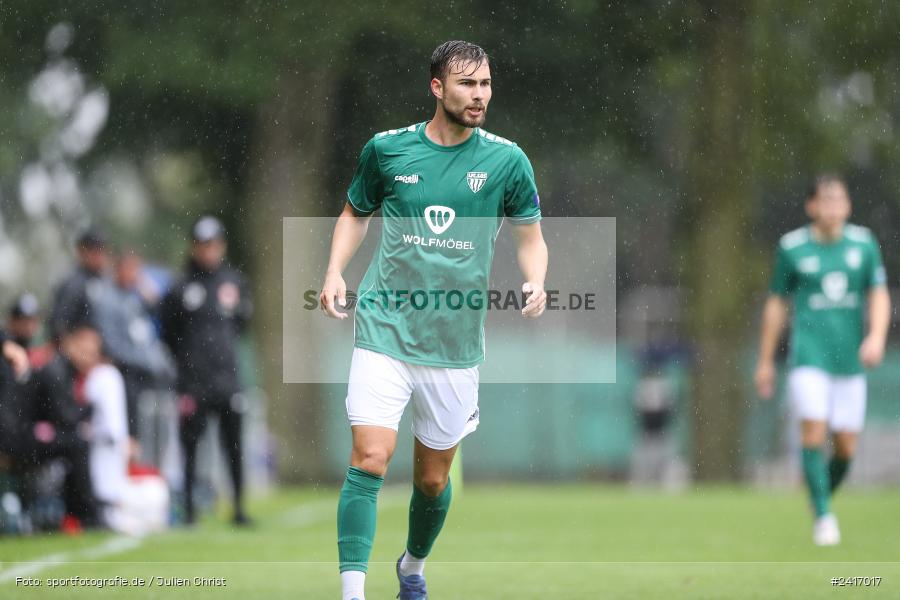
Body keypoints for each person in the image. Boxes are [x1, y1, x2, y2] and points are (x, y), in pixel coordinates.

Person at [319, 40, 548, 600]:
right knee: (370, 457)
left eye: (485, 84)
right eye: (467, 83)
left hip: (454, 342)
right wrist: (334, 271)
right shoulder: (387, 150)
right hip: (384, 327)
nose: (479, 94)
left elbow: (531, 238)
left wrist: (536, 279)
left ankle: (412, 566)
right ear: (437, 87)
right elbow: (354, 213)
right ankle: (352, 592)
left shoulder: (507, 161)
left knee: (432, 479)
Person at [754, 174, 890, 546]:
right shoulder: (793, 248)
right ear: (811, 206)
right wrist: (765, 360)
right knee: (813, 433)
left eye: (838, 200)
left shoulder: (863, 244)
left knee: (845, 448)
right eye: (825, 200)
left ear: (848, 206)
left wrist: (876, 336)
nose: (832, 207)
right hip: (809, 358)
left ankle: (818, 496)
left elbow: (878, 293)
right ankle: (825, 517)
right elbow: (776, 303)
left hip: (849, 361)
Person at [160, 216, 253, 526]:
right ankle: (188, 511)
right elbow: (169, 333)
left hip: (227, 379)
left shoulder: (234, 283)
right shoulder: (179, 287)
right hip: (193, 383)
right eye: (203, 245)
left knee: (234, 445)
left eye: (213, 244)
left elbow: (240, 326)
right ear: (193, 247)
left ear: (222, 246)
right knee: (190, 448)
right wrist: (189, 364)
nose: (208, 251)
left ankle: (239, 508)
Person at [62, 322, 169, 536]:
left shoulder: (104, 376)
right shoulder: (91, 376)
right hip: (101, 444)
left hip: (104, 445)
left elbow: (109, 419)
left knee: (106, 487)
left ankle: (103, 516)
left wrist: (97, 433)